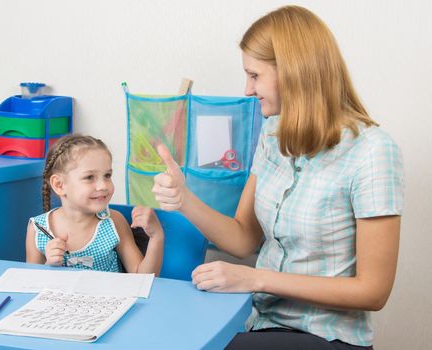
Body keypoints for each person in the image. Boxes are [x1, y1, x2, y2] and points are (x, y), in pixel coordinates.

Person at [152, 5, 403, 350]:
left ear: (293, 71)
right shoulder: (272, 134)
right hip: (262, 322)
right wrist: (184, 200)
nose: (246, 89)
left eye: (254, 75)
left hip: (327, 336)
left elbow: (373, 291)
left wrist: (257, 278)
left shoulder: (372, 151)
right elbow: (243, 239)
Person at [26, 134, 164, 275]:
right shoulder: (38, 228)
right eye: (89, 177)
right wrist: (48, 265)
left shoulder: (114, 222)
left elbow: (142, 278)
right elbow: (30, 283)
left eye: (107, 175)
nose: (103, 185)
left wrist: (156, 237)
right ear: (59, 185)